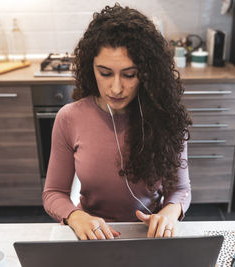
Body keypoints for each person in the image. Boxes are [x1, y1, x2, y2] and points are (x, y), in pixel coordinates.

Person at [43, 3, 192, 240]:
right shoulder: (70, 118)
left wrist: (169, 213)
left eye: (129, 75)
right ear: (90, 69)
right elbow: (53, 193)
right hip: (92, 236)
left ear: (146, 74)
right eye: (105, 73)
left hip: (149, 236)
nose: (116, 88)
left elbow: (181, 190)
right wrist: (76, 216)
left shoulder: (166, 117)